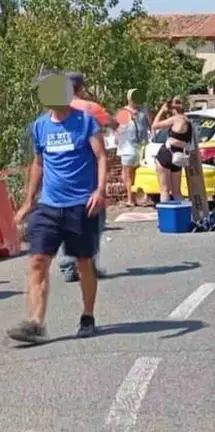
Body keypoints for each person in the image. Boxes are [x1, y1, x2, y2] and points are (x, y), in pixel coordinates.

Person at [8, 72, 107, 343]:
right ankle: (36, 323)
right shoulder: (40, 126)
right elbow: (38, 164)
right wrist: (28, 201)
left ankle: (88, 315)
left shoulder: (85, 122)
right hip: (49, 206)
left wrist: (99, 190)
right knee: (38, 260)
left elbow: (100, 156)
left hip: (81, 205)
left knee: (84, 262)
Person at [59, 71, 111, 283]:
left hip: (61, 177)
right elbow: (114, 123)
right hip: (88, 176)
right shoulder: (91, 108)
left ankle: (68, 267)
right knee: (93, 222)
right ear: (81, 88)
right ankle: (88, 265)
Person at [116, 89, 151, 206]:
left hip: (128, 148)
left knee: (126, 174)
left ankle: (130, 199)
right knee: (133, 174)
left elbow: (118, 130)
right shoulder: (143, 112)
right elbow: (151, 126)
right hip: (141, 148)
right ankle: (135, 198)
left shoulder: (124, 112)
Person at [151, 96, 190, 202]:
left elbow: (154, 125)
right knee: (176, 192)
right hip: (178, 157)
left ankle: (165, 216)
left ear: (173, 109)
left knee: (164, 190)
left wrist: (162, 111)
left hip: (166, 154)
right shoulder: (188, 121)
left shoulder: (175, 119)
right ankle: (184, 215)